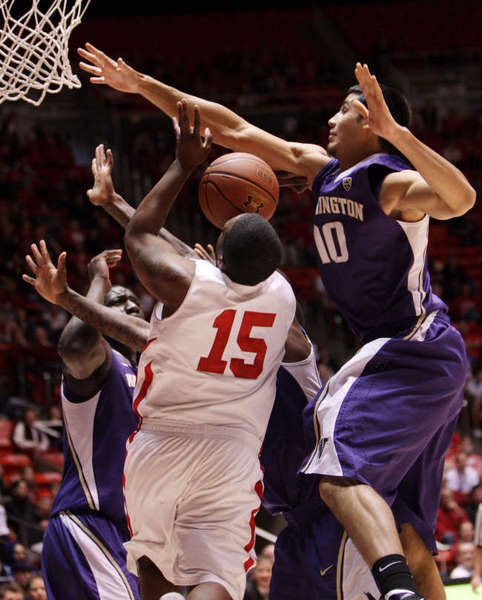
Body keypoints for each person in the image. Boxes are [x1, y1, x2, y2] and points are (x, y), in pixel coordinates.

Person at [77, 45, 476, 600]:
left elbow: (461, 198)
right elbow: (234, 129)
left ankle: (397, 592)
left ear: (372, 123)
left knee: (339, 467)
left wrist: (399, 135)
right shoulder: (322, 171)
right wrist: (141, 83)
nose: (331, 119)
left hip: (411, 341)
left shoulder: (391, 184)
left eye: (345, 111)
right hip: (395, 354)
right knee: (409, 529)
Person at [121, 100, 295, 600]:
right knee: (217, 575)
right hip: (232, 450)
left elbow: (140, 234)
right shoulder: (284, 297)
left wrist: (184, 164)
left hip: (163, 441)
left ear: (216, 255)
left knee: (153, 558)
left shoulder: (184, 283)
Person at [23, 247, 145, 600]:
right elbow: (76, 344)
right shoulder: (102, 364)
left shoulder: (151, 377)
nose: (131, 312)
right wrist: (97, 284)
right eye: (118, 305)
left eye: (136, 307)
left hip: (130, 538)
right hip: (89, 524)